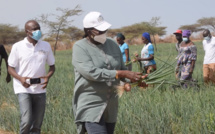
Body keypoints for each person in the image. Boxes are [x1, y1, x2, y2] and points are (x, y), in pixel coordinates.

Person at [72, 11, 143, 134]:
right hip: (91, 103)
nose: (103, 33)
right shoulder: (80, 47)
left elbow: (122, 69)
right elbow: (91, 72)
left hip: (111, 106)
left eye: (104, 30)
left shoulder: (112, 44)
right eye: (99, 31)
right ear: (88, 31)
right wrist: (120, 74)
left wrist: (135, 80)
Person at [8, 20, 55, 134]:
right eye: (34, 29)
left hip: (40, 88)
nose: (37, 31)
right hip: (23, 87)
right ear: (27, 31)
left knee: (37, 123)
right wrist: (20, 79)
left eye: (38, 28)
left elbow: (52, 66)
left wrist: (47, 77)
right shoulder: (18, 46)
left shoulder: (45, 45)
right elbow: (10, 68)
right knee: (26, 120)